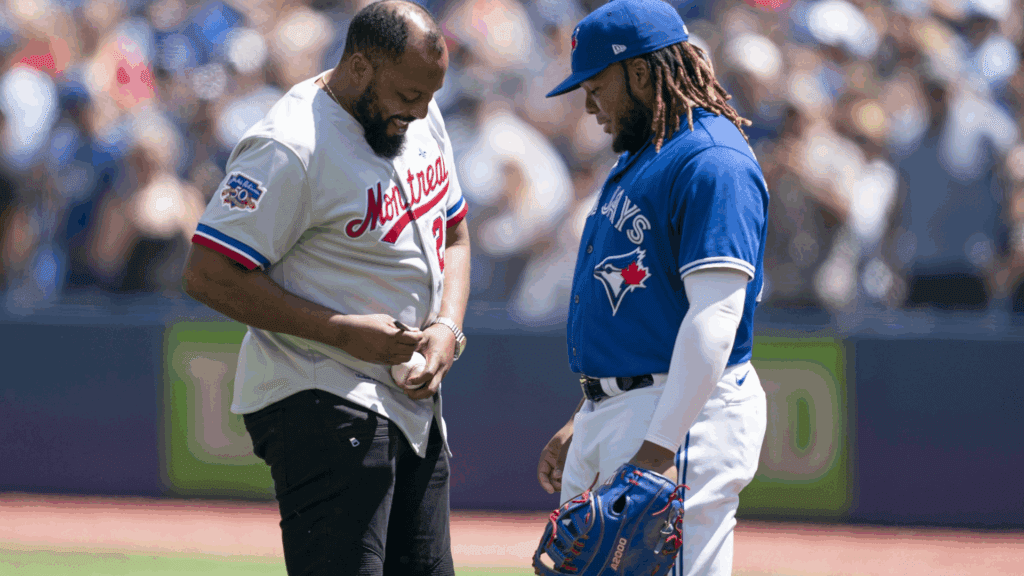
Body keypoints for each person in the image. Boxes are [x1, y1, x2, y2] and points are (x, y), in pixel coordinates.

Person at [180, 2, 470, 575]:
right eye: (410, 95)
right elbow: (207, 274)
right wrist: (341, 331)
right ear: (360, 68)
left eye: (430, 95)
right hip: (320, 393)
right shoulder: (289, 145)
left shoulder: (418, 115)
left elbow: (456, 233)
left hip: (410, 404)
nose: (421, 110)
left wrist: (448, 326)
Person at [536, 1, 769, 575]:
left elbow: (715, 317)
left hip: (679, 418)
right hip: (627, 406)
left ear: (640, 73)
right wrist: (591, 406)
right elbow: (646, 309)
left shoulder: (712, 161)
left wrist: (656, 452)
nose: (588, 103)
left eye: (596, 85)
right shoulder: (650, 154)